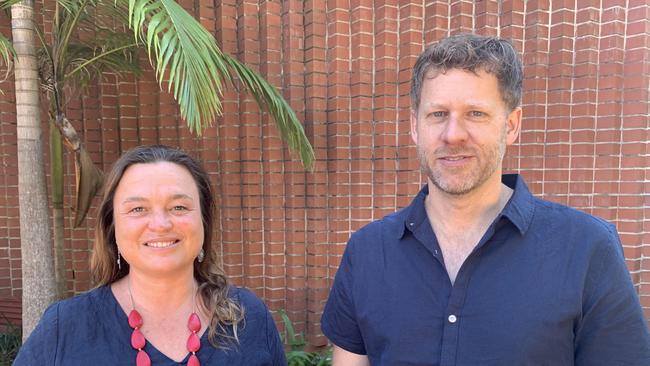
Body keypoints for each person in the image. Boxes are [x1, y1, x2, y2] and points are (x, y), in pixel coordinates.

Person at [321, 33, 650, 365]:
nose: (453, 134)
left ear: (511, 125)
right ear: (414, 126)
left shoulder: (586, 249)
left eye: (475, 113)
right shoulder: (367, 253)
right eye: (437, 114)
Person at [14, 145, 287, 365]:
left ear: (204, 221)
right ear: (112, 227)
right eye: (138, 209)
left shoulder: (249, 318)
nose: (160, 224)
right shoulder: (66, 327)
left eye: (179, 207)